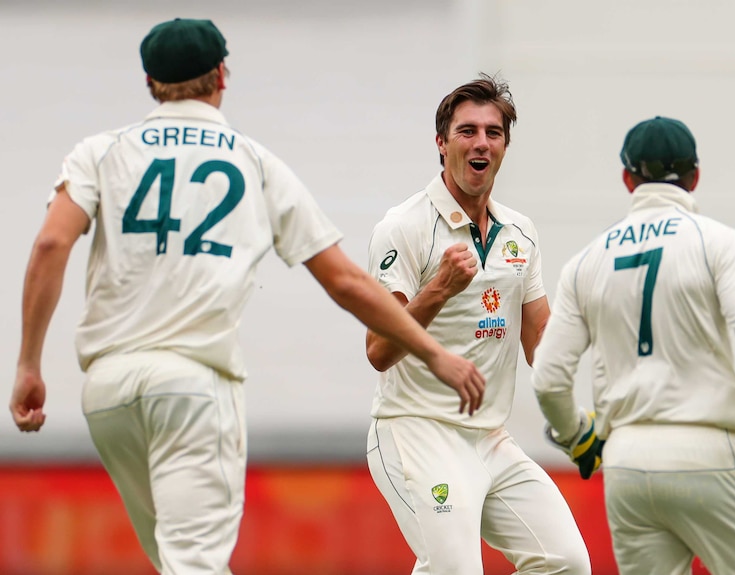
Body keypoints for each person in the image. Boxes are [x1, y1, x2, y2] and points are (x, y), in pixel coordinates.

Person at [8, 18, 485, 575]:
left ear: (149, 80)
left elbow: (49, 244)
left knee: (174, 560)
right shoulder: (254, 161)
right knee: (196, 564)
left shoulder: (100, 151)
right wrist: (434, 352)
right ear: (221, 76)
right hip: (192, 389)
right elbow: (347, 282)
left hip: (108, 392)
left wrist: (28, 364)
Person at [531, 116, 735, 575]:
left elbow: (548, 381)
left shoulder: (585, 262)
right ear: (695, 176)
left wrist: (578, 437)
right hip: (709, 452)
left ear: (627, 179)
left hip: (626, 463)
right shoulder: (718, 241)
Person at [364, 73, 591, 575]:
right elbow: (379, 349)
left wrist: (595, 335)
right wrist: (439, 288)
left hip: (489, 435)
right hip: (415, 429)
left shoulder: (519, 232)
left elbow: (541, 346)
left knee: (567, 562)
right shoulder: (404, 226)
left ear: (505, 146)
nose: (480, 142)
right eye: (467, 131)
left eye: (493, 132)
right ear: (441, 142)